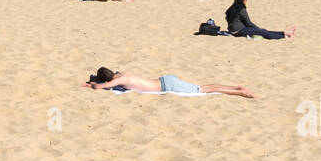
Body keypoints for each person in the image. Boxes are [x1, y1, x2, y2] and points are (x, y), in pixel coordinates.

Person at [83, 67, 254, 98]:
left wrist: (91, 84)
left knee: (203, 89)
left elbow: (100, 87)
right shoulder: (123, 74)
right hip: (165, 79)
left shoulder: (121, 80)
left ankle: (239, 92)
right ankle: (235, 88)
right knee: (204, 87)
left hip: (167, 86)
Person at [224, 0, 294, 39]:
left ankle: (284, 33)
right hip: (239, 31)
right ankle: (285, 36)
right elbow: (249, 23)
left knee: (263, 30)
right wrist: (257, 28)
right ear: (244, 0)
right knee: (262, 32)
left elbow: (227, 16)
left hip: (232, 30)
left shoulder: (232, 7)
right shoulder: (241, 9)